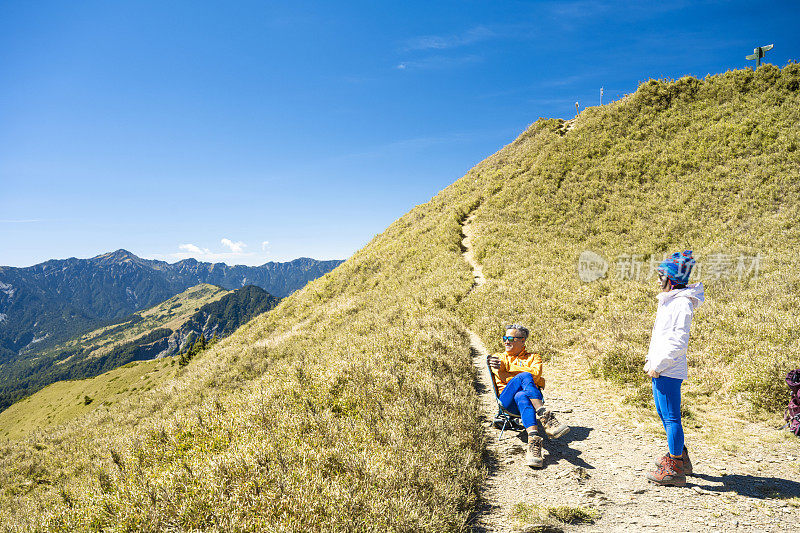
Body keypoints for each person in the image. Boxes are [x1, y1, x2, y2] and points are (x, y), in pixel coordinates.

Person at [644, 250, 705, 486]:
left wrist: (658, 365)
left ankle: (676, 468)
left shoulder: (681, 304)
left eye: (661, 277)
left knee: (671, 418)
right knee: (664, 414)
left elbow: (678, 342)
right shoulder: (671, 300)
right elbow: (663, 337)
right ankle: (680, 456)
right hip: (661, 366)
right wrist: (652, 360)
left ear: (672, 280)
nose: (658, 281)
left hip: (668, 369)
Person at [487, 324, 570, 468]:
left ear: (523, 340)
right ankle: (545, 416)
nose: (506, 341)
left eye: (511, 338)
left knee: (521, 395)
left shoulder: (535, 357)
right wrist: (521, 375)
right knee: (525, 376)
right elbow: (504, 375)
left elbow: (536, 375)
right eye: (505, 338)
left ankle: (533, 443)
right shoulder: (498, 358)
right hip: (507, 401)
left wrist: (511, 371)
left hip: (527, 400)